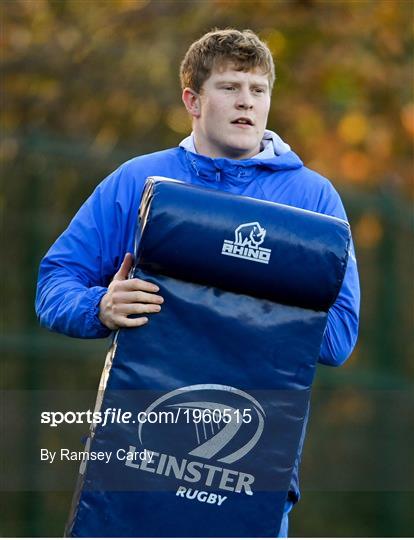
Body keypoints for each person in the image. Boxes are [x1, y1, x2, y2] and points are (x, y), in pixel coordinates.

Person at [36, 28, 360, 537]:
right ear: (192, 99)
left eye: (258, 91)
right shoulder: (138, 181)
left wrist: (247, 314)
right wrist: (100, 305)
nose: (246, 103)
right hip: (135, 461)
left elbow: (340, 335)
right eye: (230, 87)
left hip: (251, 469)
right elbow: (56, 280)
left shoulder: (313, 200)